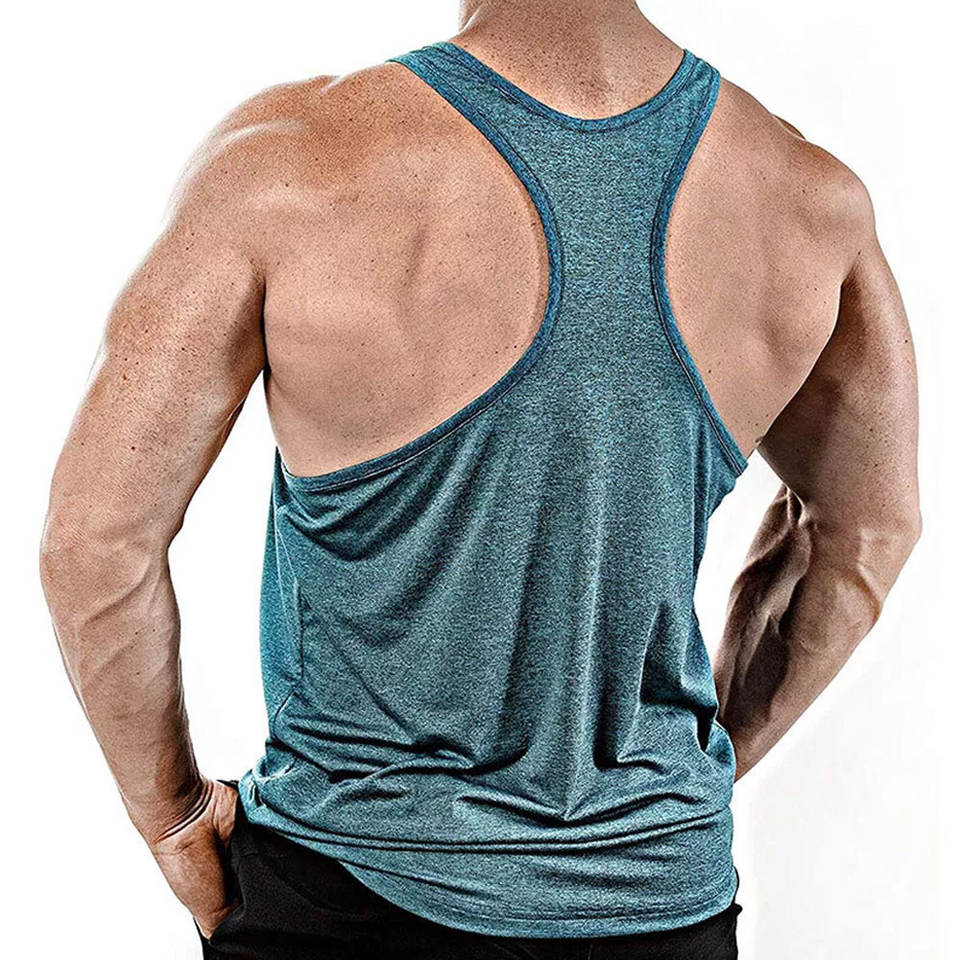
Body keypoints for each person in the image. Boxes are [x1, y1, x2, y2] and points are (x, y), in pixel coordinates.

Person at [39, 1, 921, 957]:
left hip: (341, 893)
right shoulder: (811, 202)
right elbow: (869, 534)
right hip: (661, 911)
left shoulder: (287, 166)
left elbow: (97, 545)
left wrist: (175, 821)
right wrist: (664, 795)